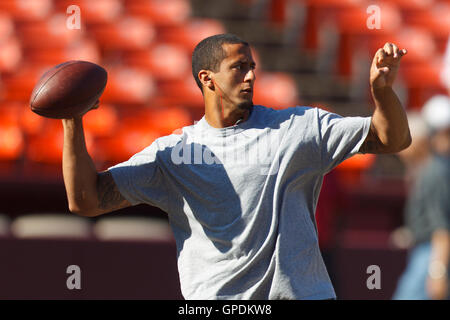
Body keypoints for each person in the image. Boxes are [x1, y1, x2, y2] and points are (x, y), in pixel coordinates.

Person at [62, 34, 411, 299]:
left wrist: (382, 92)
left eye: (252, 67)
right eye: (238, 67)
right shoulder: (173, 154)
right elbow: (86, 200)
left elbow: (390, 139)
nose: (250, 77)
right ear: (207, 79)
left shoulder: (298, 128)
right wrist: (72, 121)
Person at [393, 95, 450, 300]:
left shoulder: (434, 172)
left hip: (430, 257)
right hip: (424, 253)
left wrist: (437, 272)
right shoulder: (428, 171)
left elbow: (442, 229)